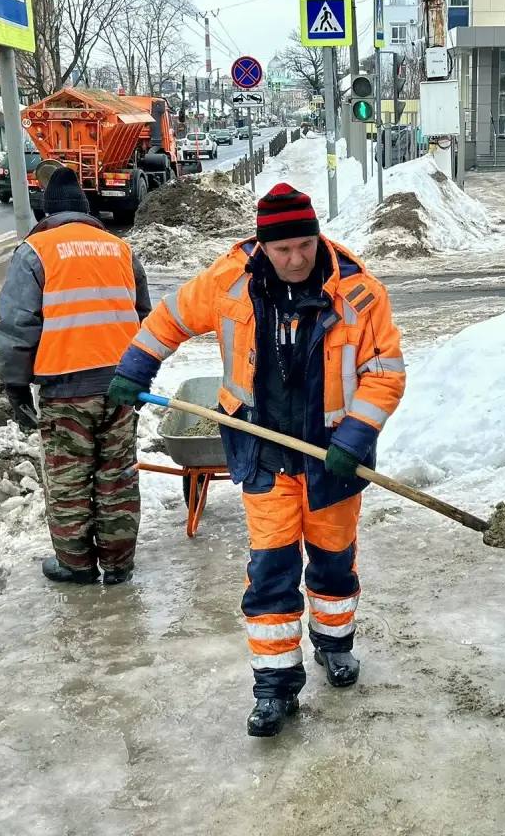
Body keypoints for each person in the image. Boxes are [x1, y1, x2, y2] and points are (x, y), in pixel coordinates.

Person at [107, 183, 405, 737]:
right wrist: (134, 369)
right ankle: (274, 687)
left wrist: (356, 437)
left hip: (331, 460)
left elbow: (385, 374)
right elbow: (168, 318)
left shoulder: (359, 294)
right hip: (264, 455)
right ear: (263, 246)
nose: (295, 260)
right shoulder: (230, 283)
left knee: (333, 562)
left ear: (318, 237)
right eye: (282, 249)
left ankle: (335, 646)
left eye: (304, 246)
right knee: (270, 571)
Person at [0, 168, 151, 586]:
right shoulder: (119, 249)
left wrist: (14, 382)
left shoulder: (34, 252)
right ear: (86, 211)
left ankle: (76, 566)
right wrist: (139, 375)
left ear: (48, 212)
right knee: (116, 476)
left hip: (66, 390)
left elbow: (18, 326)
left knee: (69, 480)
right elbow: (144, 317)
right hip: (120, 386)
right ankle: (118, 566)